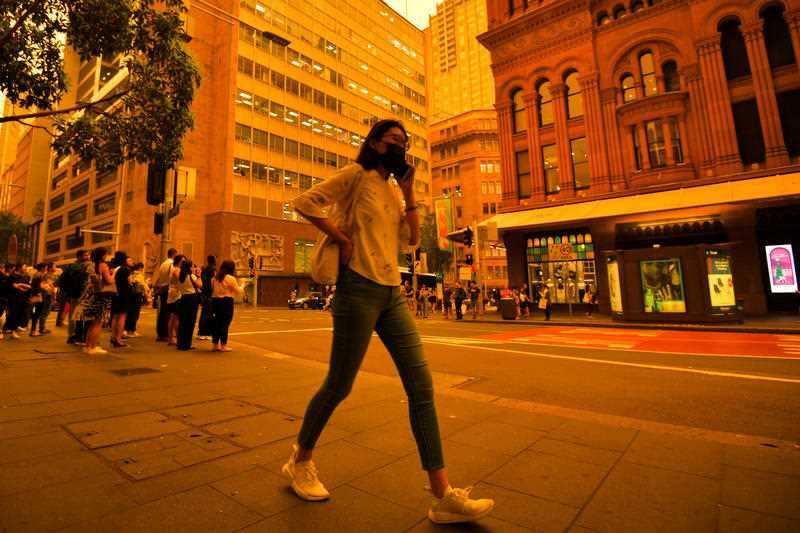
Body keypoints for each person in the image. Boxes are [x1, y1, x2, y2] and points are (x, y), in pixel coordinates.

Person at [286, 119, 493, 523]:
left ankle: (442, 495)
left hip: (392, 293)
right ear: (376, 144)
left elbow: (412, 239)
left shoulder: (392, 190)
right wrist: (343, 238)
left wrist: (410, 190)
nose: (400, 147)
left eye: (405, 142)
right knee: (339, 385)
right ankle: (300, 460)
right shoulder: (356, 176)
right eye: (394, 141)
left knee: (421, 386)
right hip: (358, 290)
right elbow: (305, 202)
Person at [75, 247, 115, 354]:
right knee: (98, 322)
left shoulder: (91, 266)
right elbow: (109, 280)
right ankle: (93, 346)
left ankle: (88, 346)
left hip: (93, 296)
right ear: (102, 255)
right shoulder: (103, 265)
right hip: (101, 296)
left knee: (92, 323)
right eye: (105, 254)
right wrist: (114, 273)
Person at [210, 259, 245, 352]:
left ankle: (215, 344)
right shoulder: (230, 278)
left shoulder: (215, 278)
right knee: (225, 324)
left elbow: (212, 290)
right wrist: (243, 286)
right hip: (226, 302)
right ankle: (223, 345)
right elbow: (238, 291)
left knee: (216, 323)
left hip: (216, 301)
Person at [59, 250, 91, 345]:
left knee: (73, 315)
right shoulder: (83, 266)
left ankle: (72, 335)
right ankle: (76, 336)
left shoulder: (71, 266)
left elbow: (62, 279)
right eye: (86, 255)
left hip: (73, 293)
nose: (88, 256)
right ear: (79, 256)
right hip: (80, 293)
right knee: (77, 315)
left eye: (88, 254)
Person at [175, 259, 202, 351]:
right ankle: (187, 344)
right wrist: (199, 276)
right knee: (190, 323)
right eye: (192, 266)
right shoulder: (191, 276)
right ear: (189, 267)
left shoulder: (180, 277)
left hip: (183, 298)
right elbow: (200, 285)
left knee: (183, 322)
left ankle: (180, 343)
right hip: (191, 300)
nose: (193, 268)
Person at [154, 248, 178, 342]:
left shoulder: (163, 264)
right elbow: (173, 276)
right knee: (168, 313)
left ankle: (160, 333)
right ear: (174, 255)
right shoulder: (171, 264)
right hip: (168, 288)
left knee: (163, 312)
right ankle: (165, 334)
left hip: (162, 287)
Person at [109, 252, 132, 348]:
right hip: (124, 294)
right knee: (122, 316)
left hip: (116, 294)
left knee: (115, 316)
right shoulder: (126, 270)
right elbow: (130, 282)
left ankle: (113, 337)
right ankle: (118, 339)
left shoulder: (116, 269)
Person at [3, 265, 31, 339]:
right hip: (14, 299)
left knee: (19, 314)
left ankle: (7, 328)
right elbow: (13, 286)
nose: (26, 268)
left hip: (23, 299)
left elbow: (29, 286)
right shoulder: (12, 276)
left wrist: (22, 286)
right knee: (13, 314)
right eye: (24, 266)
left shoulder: (26, 276)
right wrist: (21, 287)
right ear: (19, 267)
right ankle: (13, 331)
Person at [125, 262, 149, 337]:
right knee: (135, 313)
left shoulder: (132, 274)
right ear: (140, 268)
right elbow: (143, 285)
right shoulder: (139, 275)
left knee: (130, 312)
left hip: (131, 295)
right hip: (137, 295)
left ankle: (128, 329)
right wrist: (147, 292)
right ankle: (132, 330)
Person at [166, 254, 185, 346]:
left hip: (173, 293)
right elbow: (181, 280)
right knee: (176, 317)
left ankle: (171, 338)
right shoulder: (176, 269)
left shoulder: (173, 268)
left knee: (173, 317)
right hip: (175, 294)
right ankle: (177, 337)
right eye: (183, 261)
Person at [196, 255, 216, 341]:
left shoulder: (204, 268)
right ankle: (204, 333)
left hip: (204, 293)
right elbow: (213, 282)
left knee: (204, 313)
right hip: (210, 294)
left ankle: (202, 332)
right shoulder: (213, 269)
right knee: (208, 314)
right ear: (214, 260)